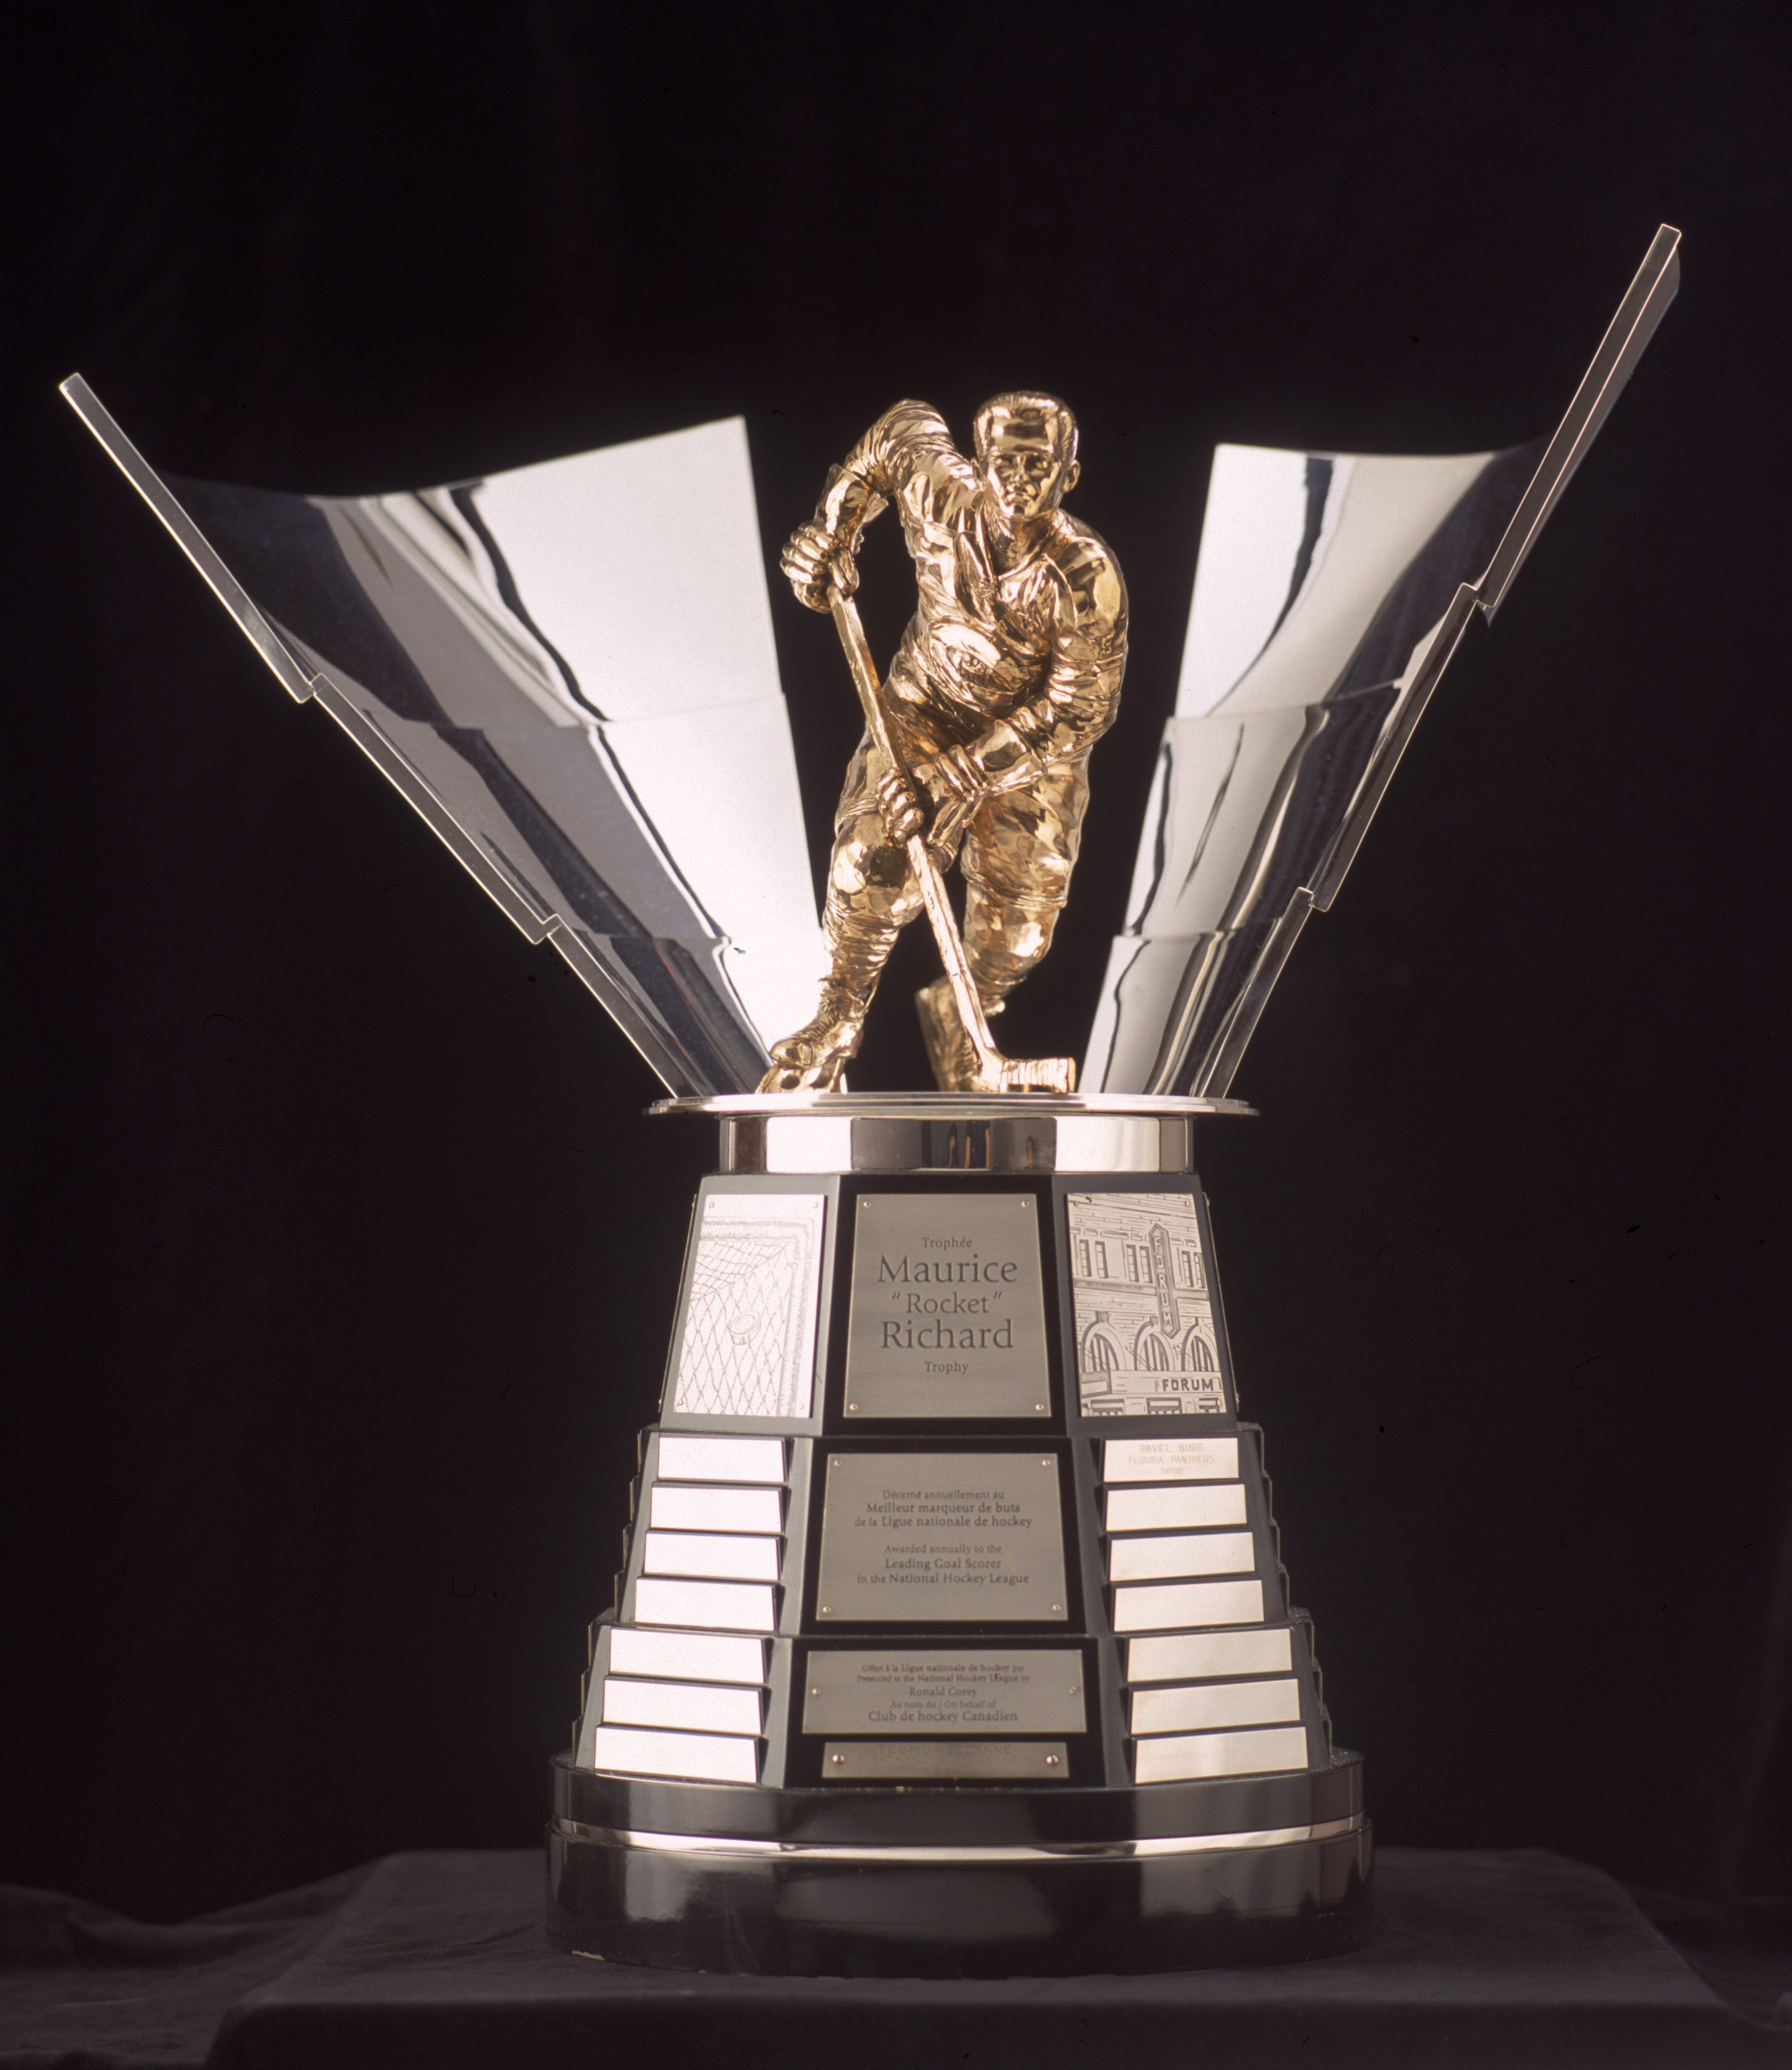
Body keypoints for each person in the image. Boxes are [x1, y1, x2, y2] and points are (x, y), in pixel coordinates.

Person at [760, 392, 1128, 1091]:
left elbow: (1081, 707)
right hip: (924, 710)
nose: (1019, 481)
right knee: (871, 859)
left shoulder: (1085, 577)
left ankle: (965, 1015)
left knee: (1020, 935)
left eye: (1039, 465)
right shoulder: (939, 493)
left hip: (1031, 755)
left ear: (1070, 475)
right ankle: (838, 1016)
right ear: (979, 465)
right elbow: (898, 430)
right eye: (1005, 463)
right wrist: (831, 532)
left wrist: (957, 777)